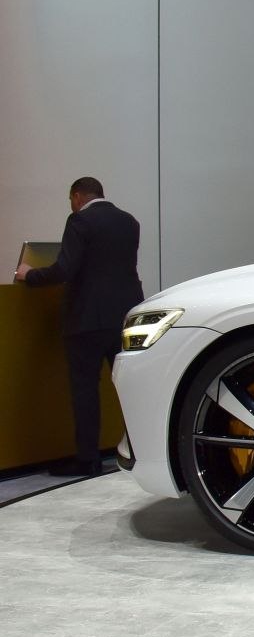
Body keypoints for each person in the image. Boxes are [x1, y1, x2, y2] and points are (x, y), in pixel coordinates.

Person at [14, 177, 143, 476]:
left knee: (85, 391)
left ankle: (88, 459)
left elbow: (64, 269)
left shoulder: (80, 221)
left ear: (77, 196)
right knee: (129, 388)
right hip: (125, 316)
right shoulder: (129, 222)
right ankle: (139, 450)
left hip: (86, 319)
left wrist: (29, 275)